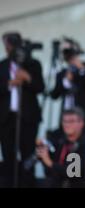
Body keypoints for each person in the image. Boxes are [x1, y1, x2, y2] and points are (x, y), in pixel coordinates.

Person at [0, 32, 45, 187]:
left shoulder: (33, 64)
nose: (9, 47)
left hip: (28, 118)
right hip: (6, 118)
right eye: (6, 44)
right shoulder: (2, 65)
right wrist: (8, 84)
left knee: (28, 155)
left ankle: (28, 183)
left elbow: (41, 87)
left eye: (11, 43)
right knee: (8, 155)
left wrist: (28, 78)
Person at [50, 38, 85, 141]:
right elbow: (55, 95)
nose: (68, 55)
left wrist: (81, 69)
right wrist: (66, 81)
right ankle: (71, 158)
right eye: (65, 52)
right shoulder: (62, 73)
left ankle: (80, 158)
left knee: (84, 143)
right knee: (67, 144)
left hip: (84, 115)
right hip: (67, 116)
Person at [36, 107, 85, 188]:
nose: (67, 124)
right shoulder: (61, 142)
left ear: (81, 123)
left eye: (71, 121)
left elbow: (72, 173)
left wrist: (49, 162)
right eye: (65, 121)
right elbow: (50, 172)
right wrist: (43, 154)